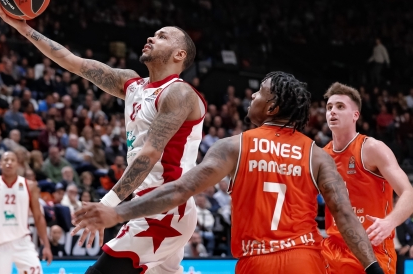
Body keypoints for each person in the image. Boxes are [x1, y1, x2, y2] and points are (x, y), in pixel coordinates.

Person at [72, 72, 386, 274]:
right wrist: (373, 268)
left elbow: (179, 191)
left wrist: (118, 213)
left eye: (260, 93)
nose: (253, 96)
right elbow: (344, 215)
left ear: (273, 107)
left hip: (257, 262)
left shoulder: (233, 147)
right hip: (304, 260)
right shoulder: (317, 155)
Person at [0, 0, 206, 274]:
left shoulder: (178, 93)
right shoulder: (131, 84)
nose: (151, 38)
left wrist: (106, 207)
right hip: (148, 204)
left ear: (179, 55)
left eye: (162, 36)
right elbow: (72, 61)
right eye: (153, 34)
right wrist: (23, 28)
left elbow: (150, 155)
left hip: (166, 209)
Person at [321, 82, 413, 274]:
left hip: (372, 250)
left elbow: (408, 193)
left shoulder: (371, 148)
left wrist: (390, 222)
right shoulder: (320, 156)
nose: (332, 112)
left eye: (340, 107)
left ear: (356, 115)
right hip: (332, 252)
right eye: (329, 107)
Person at [0, 151, 53, 274]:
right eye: (5, 160)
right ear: (0, 164)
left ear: (18, 164)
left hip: (22, 241)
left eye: (12, 160)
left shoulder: (29, 186)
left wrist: (46, 245)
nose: (9, 163)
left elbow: (38, 217)